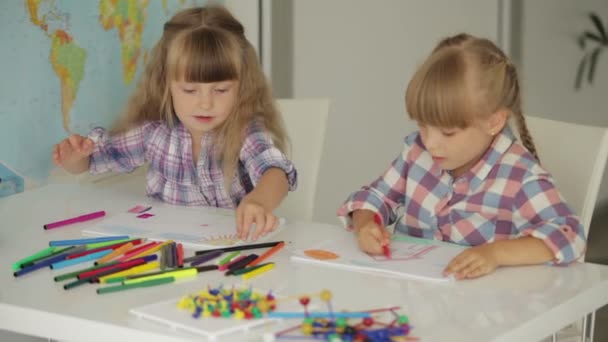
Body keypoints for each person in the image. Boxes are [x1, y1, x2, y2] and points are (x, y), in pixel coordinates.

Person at [337, 33, 585, 279]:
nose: (430, 143)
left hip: (486, 309)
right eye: (423, 126)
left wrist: (494, 254)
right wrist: (366, 224)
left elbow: (569, 235)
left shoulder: (519, 176)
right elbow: (373, 197)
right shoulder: (416, 153)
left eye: (447, 132)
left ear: (494, 121)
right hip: (413, 300)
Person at [52, 6, 297, 241]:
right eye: (190, 90)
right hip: (168, 252)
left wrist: (259, 201)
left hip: (230, 251)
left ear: (241, 87)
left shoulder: (245, 131)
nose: (205, 103)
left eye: (221, 90)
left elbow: (275, 172)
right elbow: (94, 161)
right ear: (165, 84)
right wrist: (75, 157)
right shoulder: (154, 132)